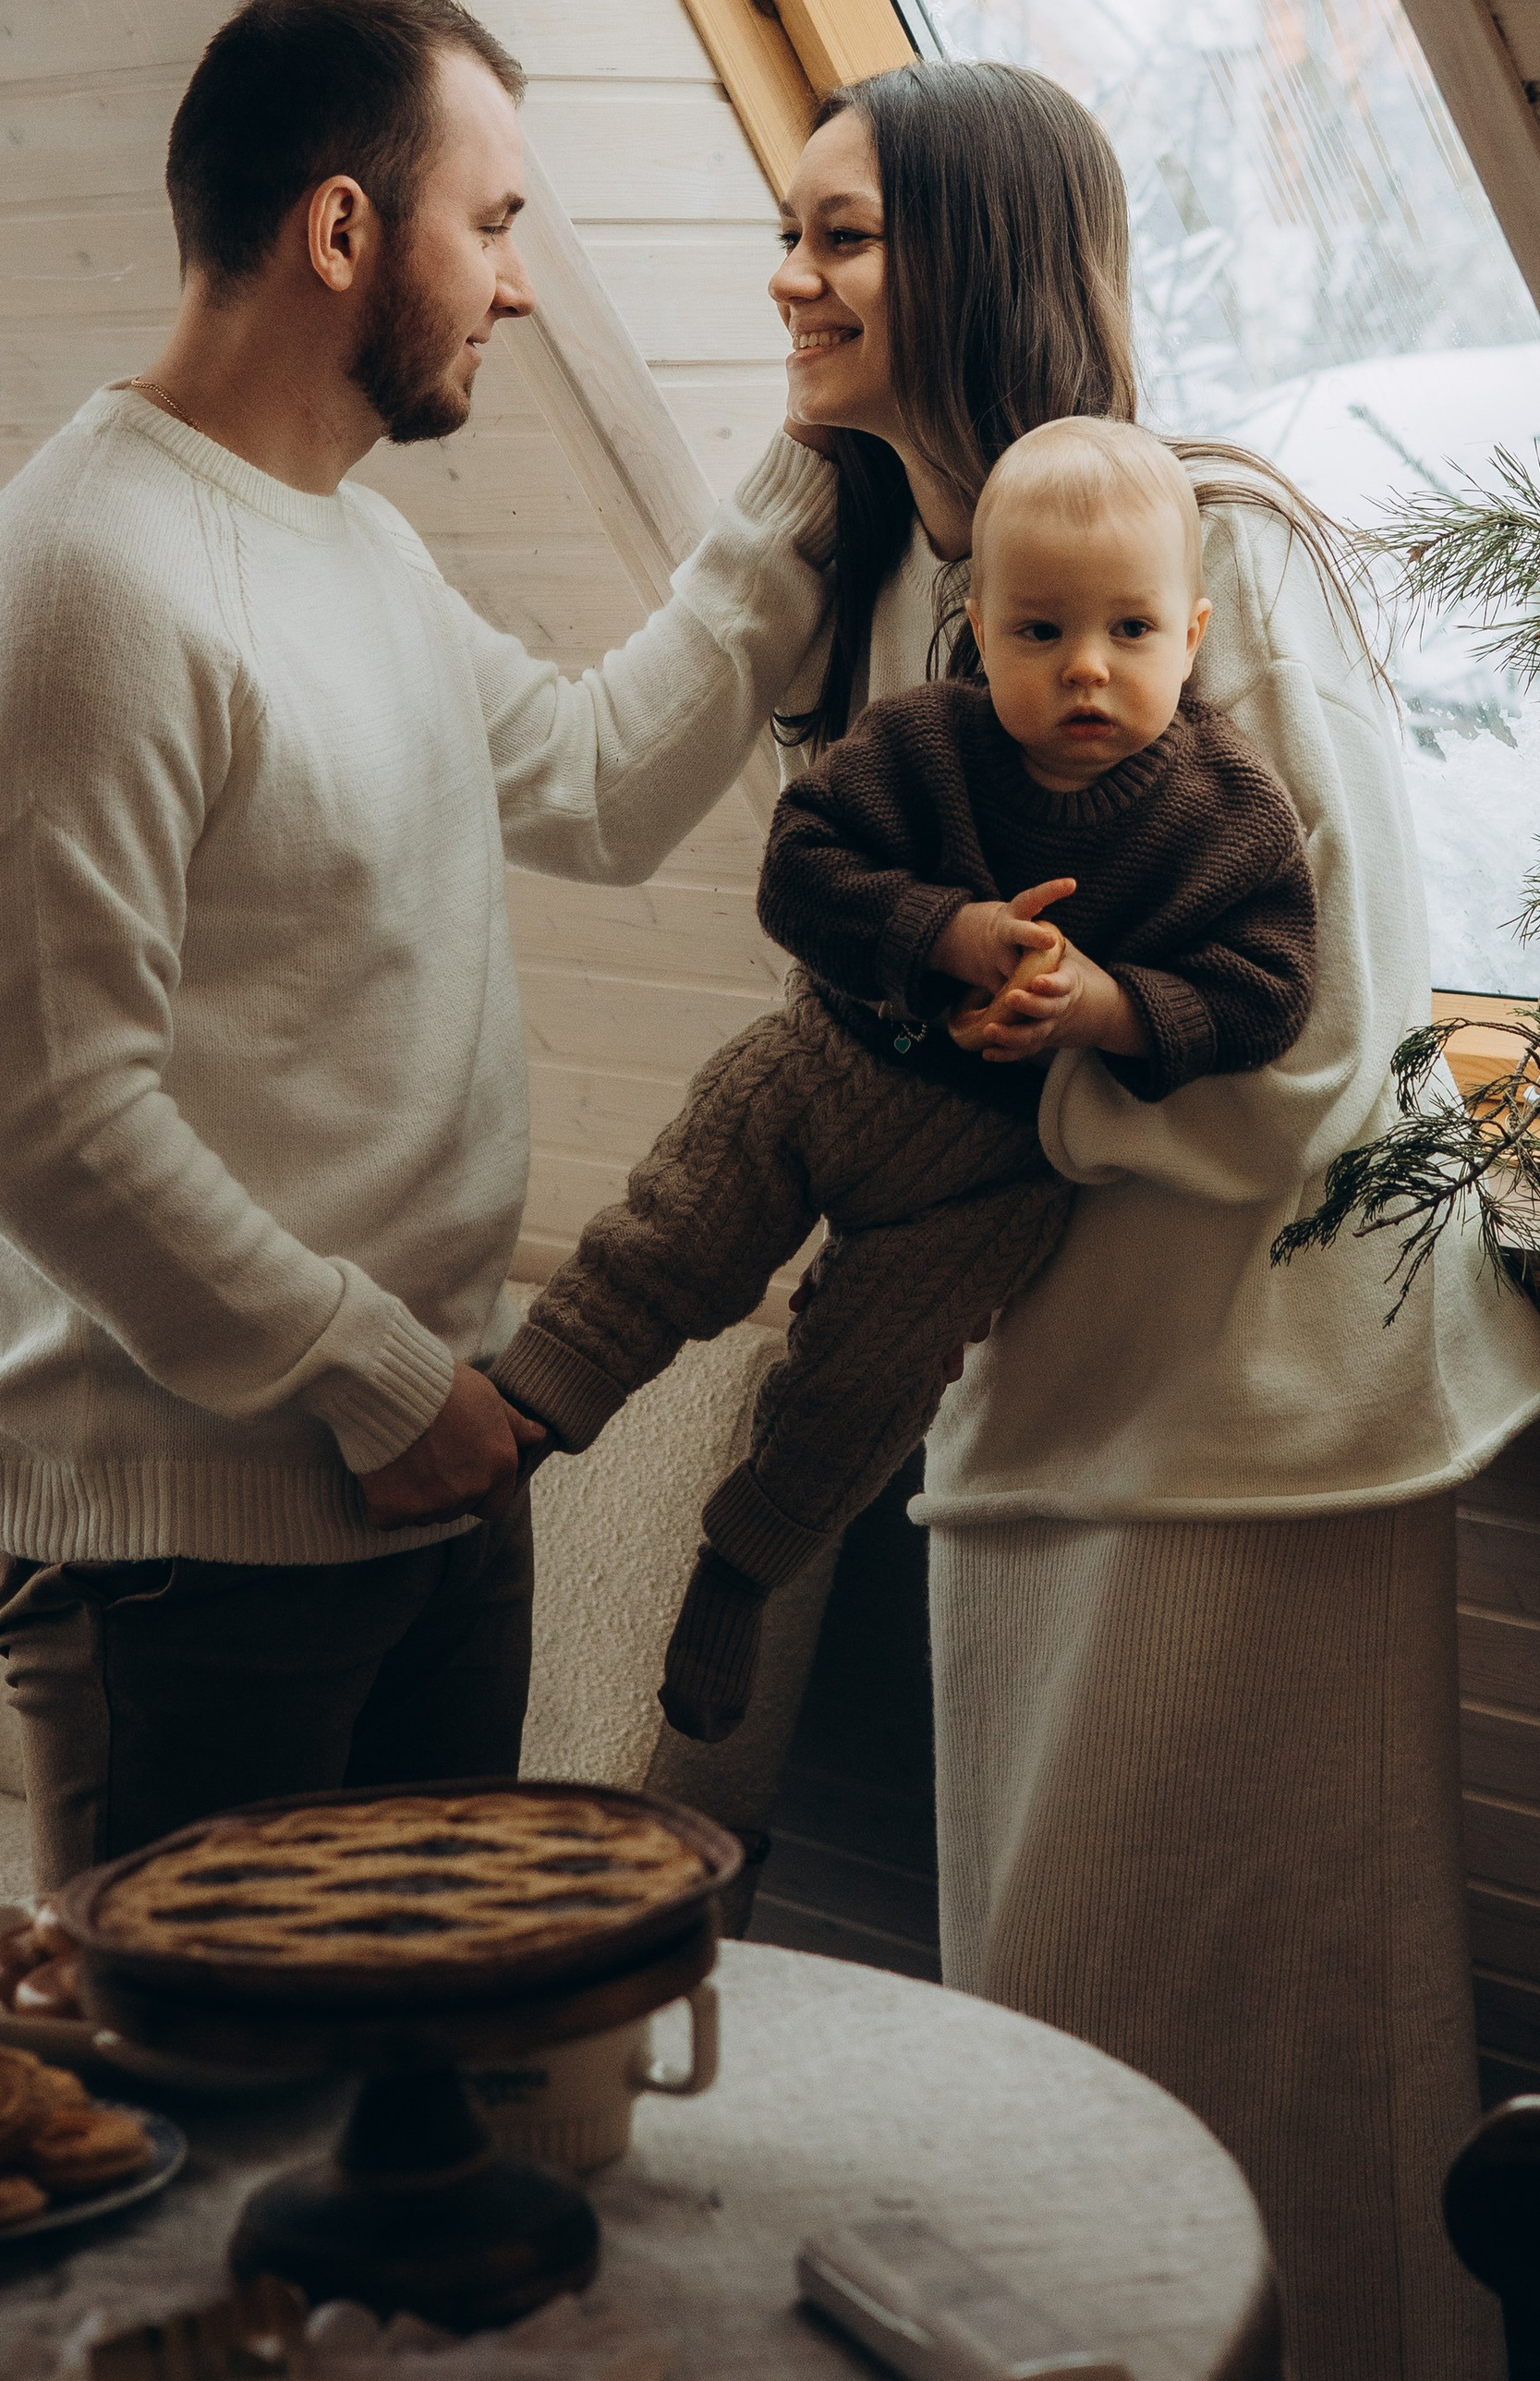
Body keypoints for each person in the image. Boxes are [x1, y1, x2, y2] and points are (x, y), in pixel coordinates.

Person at [740, 55, 1540, 2381]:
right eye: (785, 230)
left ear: (980, 256)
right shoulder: (913, 598)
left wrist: (1035, 1097)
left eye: (840, 236)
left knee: (1272, 2053)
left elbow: (1342, 1029)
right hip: (1029, 1408)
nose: (785, 278)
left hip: (1259, 1421)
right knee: (1051, 2050)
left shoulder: (1228, 556)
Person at [0, 0, 840, 1890]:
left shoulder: (353, 545)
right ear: (341, 226)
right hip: (191, 1549)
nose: (516, 283)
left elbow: (593, 779)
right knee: (220, 2135)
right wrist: (381, 1377)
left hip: (419, 1483)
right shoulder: (86, 587)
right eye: (491, 224)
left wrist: (812, 467)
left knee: (430, 2098)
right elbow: (44, 1119)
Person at [491, 420, 1317, 1747]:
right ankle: (527, 1413)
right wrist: (946, 932)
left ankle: (742, 1566)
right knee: (670, 1234)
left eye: (1131, 632)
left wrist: (1106, 1007)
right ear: (980, 626)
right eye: (1042, 633)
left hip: (987, 1177)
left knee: (856, 1393)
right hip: (826, 1068)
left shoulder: (1224, 813)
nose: (1089, 669)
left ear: (1194, 631)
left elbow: (1268, 989)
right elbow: (799, 871)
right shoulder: (923, 741)